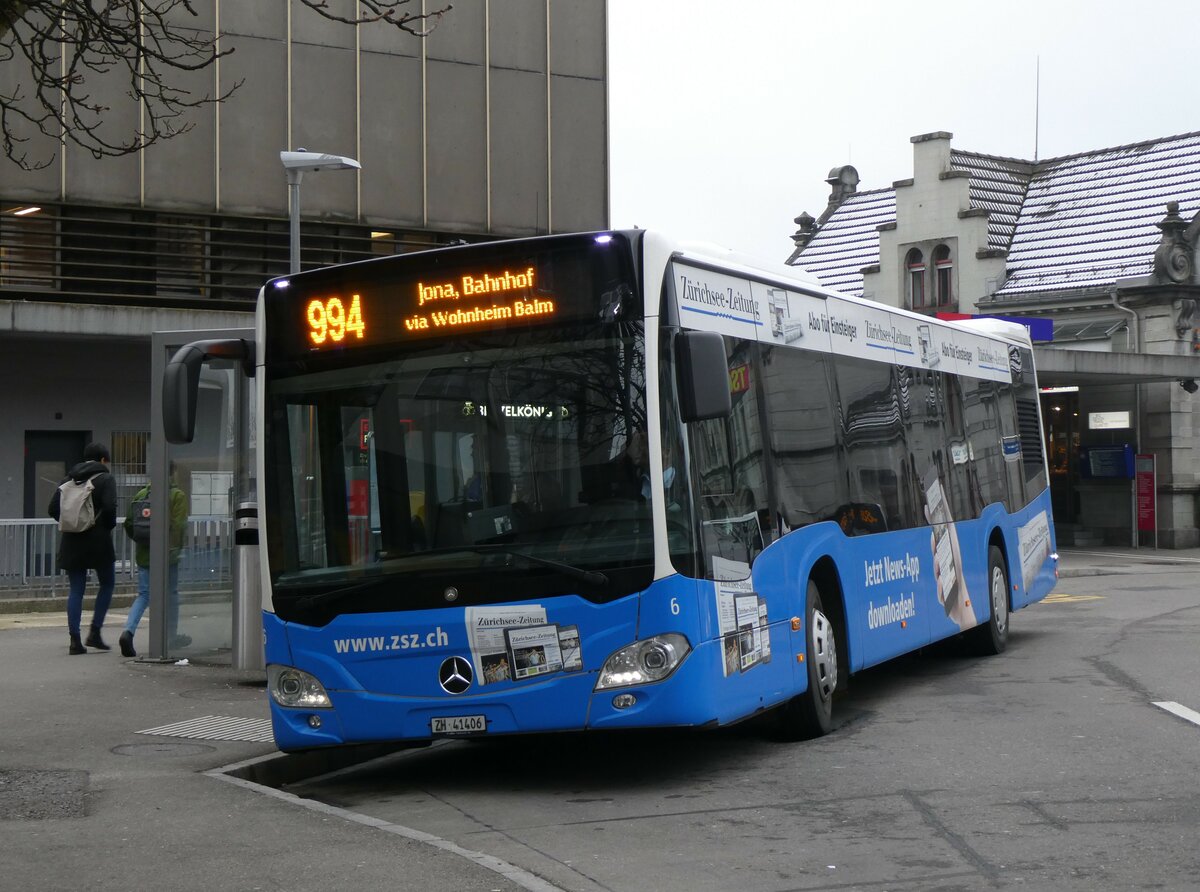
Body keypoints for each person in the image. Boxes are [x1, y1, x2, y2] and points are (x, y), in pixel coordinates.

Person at [48, 442, 118, 655]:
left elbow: (52, 508)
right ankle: (95, 632)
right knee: (107, 583)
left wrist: (72, 522)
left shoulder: (68, 479)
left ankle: (75, 640)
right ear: (103, 460)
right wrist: (106, 526)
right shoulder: (106, 479)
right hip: (98, 540)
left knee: (76, 589)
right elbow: (109, 507)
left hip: (71, 540)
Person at [119, 464, 191, 656]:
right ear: (173, 473)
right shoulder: (177, 496)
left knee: (144, 595)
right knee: (172, 594)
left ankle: (128, 631)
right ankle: (171, 636)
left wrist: (142, 542)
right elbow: (178, 526)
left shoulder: (140, 495)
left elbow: (128, 523)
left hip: (145, 555)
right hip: (168, 555)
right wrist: (174, 548)